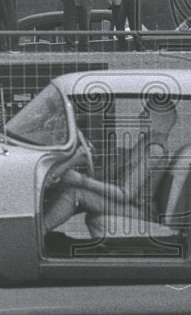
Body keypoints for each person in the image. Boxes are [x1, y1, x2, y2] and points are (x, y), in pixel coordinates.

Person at [42, 99, 178, 239]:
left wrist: (82, 180)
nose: (141, 116)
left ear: (161, 120)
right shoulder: (146, 143)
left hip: (140, 210)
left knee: (75, 193)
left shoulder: (154, 150)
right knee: (69, 185)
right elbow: (119, 171)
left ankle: (38, 232)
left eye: (147, 113)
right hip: (131, 205)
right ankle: (42, 227)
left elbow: (125, 194)